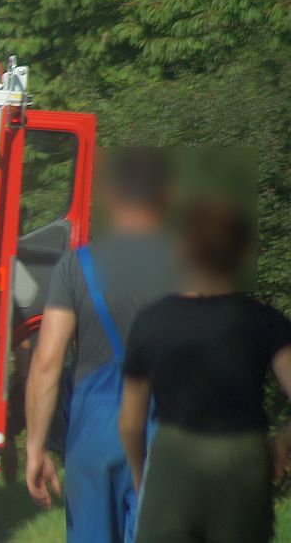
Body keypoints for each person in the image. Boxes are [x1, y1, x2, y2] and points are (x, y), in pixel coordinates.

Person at [25, 149, 180, 543]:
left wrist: (36, 447)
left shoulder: (76, 267)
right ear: (166, 198)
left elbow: (46, 362)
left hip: (94, 431)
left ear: (111, 198)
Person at [120, 197, 291, 543]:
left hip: (173, 458)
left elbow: (131, 423)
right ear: (243, 252)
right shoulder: (264, 321)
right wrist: (283, 443)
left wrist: (143, 478)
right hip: (243, 460)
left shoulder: (152, 322)